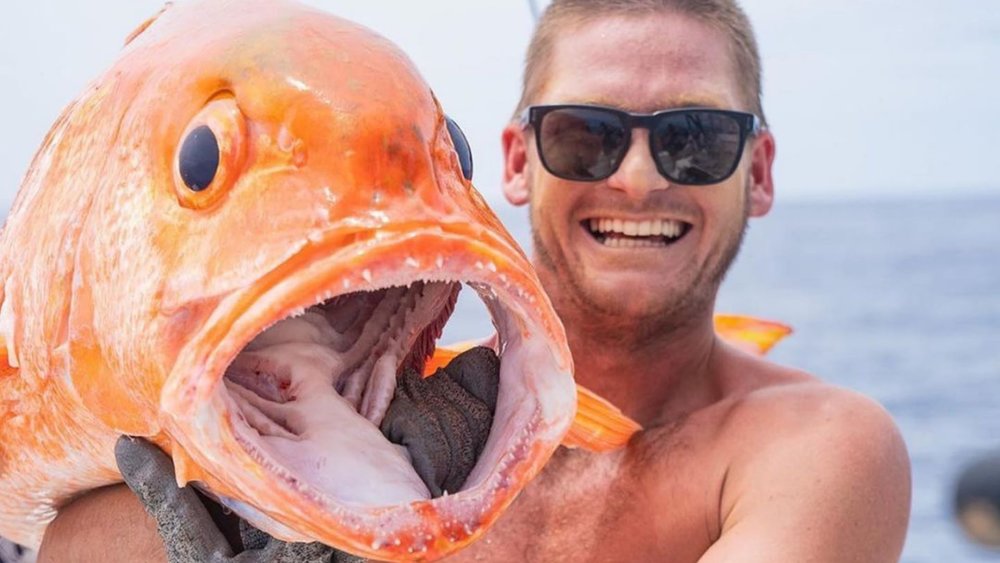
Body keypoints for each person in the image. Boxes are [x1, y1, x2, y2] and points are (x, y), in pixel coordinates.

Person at [36, 1, 912, 561]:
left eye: (695, 138)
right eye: (586, 134)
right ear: (515, 163)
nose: (641, 179)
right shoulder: (283, 426)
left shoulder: (822, 448)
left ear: (757, 172)